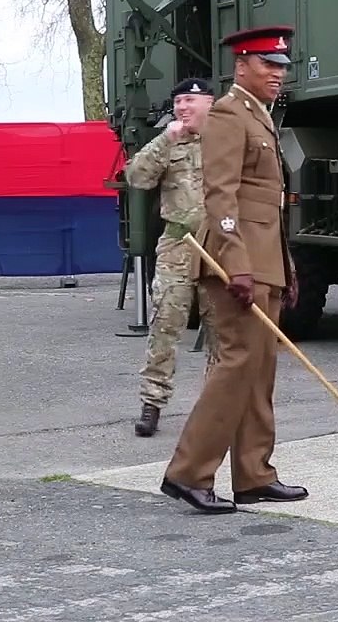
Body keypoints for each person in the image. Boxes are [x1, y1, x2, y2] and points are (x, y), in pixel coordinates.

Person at [159, 25, 307, 514]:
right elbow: (220, 195)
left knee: (258, 371)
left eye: (282, 66)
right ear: (241, 64)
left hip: (265, 262)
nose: (278, 74)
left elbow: (269, 206)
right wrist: (237, 266)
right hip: (238, 262)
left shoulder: (259, 116)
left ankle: (254, 474)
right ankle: (189, 473)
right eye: (269, 64)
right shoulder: (227, 113)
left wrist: (284, 266)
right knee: (236, 366)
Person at [124, 77, 216, 437]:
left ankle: (216, 406)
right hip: (177, 246)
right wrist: (166, 139)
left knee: (221, 328)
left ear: (210, 103)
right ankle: (152, 404)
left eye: (190, 101)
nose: (182, 108)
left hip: (218, 247)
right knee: (165, 326)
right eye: (178, 102)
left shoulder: (226, 141)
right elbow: (136, 177)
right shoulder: (169, 141)